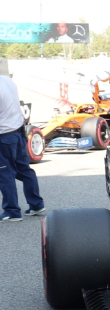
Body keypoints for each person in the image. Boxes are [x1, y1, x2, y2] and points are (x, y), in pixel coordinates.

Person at [0, 73, 45, 222]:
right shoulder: (7, 80)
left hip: (4, 135)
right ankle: (36, 204)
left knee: (5, 173)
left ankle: (11, 211)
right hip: (18, 131)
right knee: (24, 169)